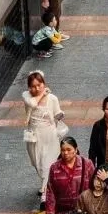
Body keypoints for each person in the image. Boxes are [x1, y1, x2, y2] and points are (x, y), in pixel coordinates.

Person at [24, 70, 65, 203]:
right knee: (37, 163)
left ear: (44, 83)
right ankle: (45, 184)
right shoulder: (27, 97)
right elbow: (33, 104)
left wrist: (60, 115)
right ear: (29, 87)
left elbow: (57, 112)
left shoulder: (52, 98)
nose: (37, 88)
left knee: (48, 164)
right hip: (34, 137)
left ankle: (45, 194)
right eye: (33, 86)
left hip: (50, 135)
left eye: (39, 85)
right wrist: (43, 93)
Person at [45, 137, 96, 214]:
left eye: (69, 150)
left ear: (76, 150)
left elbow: (95, 186)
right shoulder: (54, 168)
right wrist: (51, 213)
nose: (65, 153)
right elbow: (50, 191)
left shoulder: (87, 164)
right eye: (63, 150)